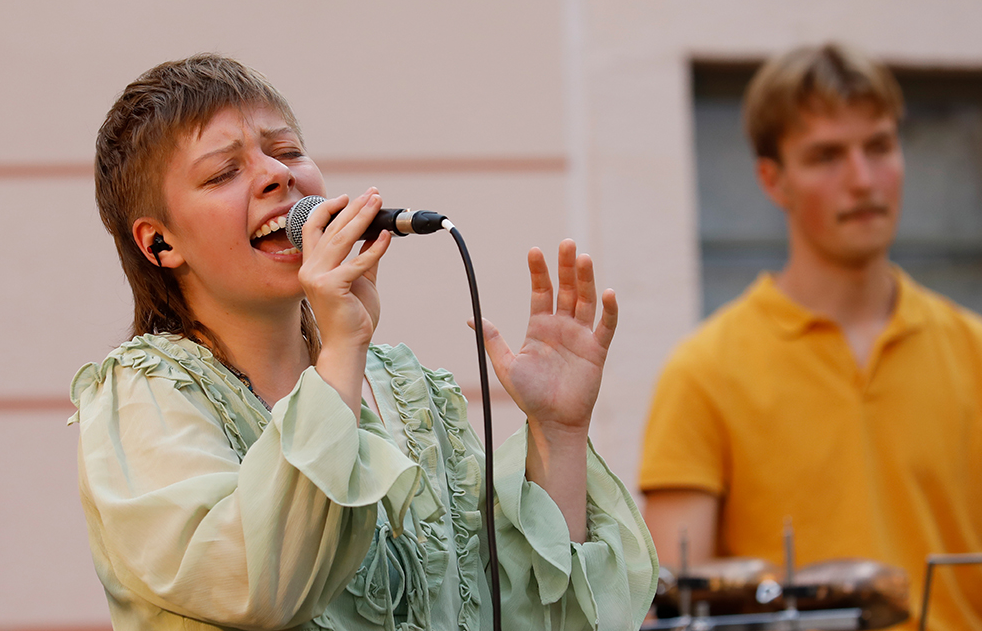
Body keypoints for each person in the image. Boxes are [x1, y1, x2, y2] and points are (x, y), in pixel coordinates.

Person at [70, 54, 657, 631]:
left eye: (288, 151)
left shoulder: (403, 393)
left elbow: (529, 618)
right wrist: (343, 349)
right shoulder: (144, 396)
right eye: (223, 172)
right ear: (160, 244)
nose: (278, 175)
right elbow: (260, 584)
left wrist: (557, 434)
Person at [638, 43, 982, 630]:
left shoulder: (973, 351)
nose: (863, 179)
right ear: (773, 180)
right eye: (827, 156)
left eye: (880, 146)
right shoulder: (704, 370)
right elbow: (673, 607)